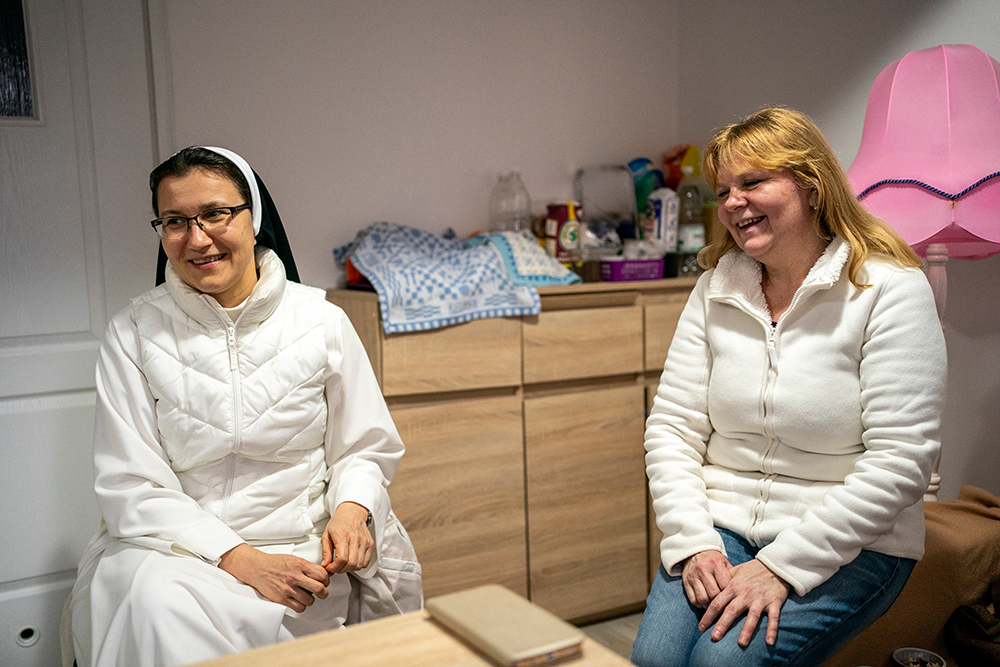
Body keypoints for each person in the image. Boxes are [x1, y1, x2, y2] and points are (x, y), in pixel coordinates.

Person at [70, 147, 421, 667]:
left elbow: (364, 446)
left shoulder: (321, 321)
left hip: (303, 545)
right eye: (175, 221)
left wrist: (352, 511)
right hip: (179, 551)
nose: (196, 238)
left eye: (215, 213)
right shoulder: (134, 333)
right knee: (154, 606)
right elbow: (131, 483)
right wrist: (242, 561)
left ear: (253, 218)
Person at [631, 108, 947, 667]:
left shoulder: (889, 289)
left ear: (813, 186)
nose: (732, 202)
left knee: (723, 663)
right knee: (655, 659)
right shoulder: (714, 288)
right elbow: (673, 428)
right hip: (720, 527)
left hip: (853, 541)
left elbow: (902, 461)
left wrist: (782, 565)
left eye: (753, 182)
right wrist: (692, 539)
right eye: (724, 189)